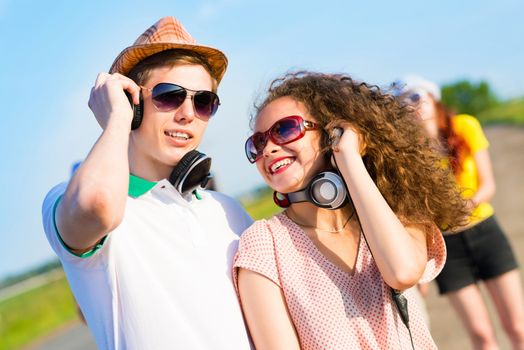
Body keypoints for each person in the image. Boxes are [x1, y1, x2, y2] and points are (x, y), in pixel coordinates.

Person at [41, 17, 253, 349]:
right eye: (169, 96)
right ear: (132, 103)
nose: (187, 113)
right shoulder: (71, 200)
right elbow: (96, 205)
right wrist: (116, 120)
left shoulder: (228, 211)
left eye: (203, 102)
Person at [233, 71, 469, 349]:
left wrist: (349, 158)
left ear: (330, 134)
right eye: (258, 143)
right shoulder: (263, 246)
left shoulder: (391, 206)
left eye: (285, 129)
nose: (269, 148)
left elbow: (402, 271)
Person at [392, 76, 524, 349]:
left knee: (517, 325)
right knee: (480, 334)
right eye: (403, 102)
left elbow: (487, 184)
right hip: (449, 245)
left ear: (432, 96)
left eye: (416, 96)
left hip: (484, 230)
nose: (412, 105)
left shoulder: (464, 126)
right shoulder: (407, 154)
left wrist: (461, 206)